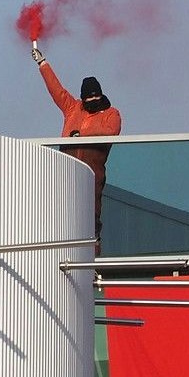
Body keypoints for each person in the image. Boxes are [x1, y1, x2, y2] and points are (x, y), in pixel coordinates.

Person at [32, 43, 122, 246]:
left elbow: (111, 132)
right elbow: (57, 91)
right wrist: (42, 63)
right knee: (61, 209)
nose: (93, 99)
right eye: (89, 97)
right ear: (83, 97)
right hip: (66, 168)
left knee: (91, 214)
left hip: (93, 170)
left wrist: (80, 135)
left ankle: (92, 255)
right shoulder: (73, 109)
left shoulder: (111, 113)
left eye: (95, 96)